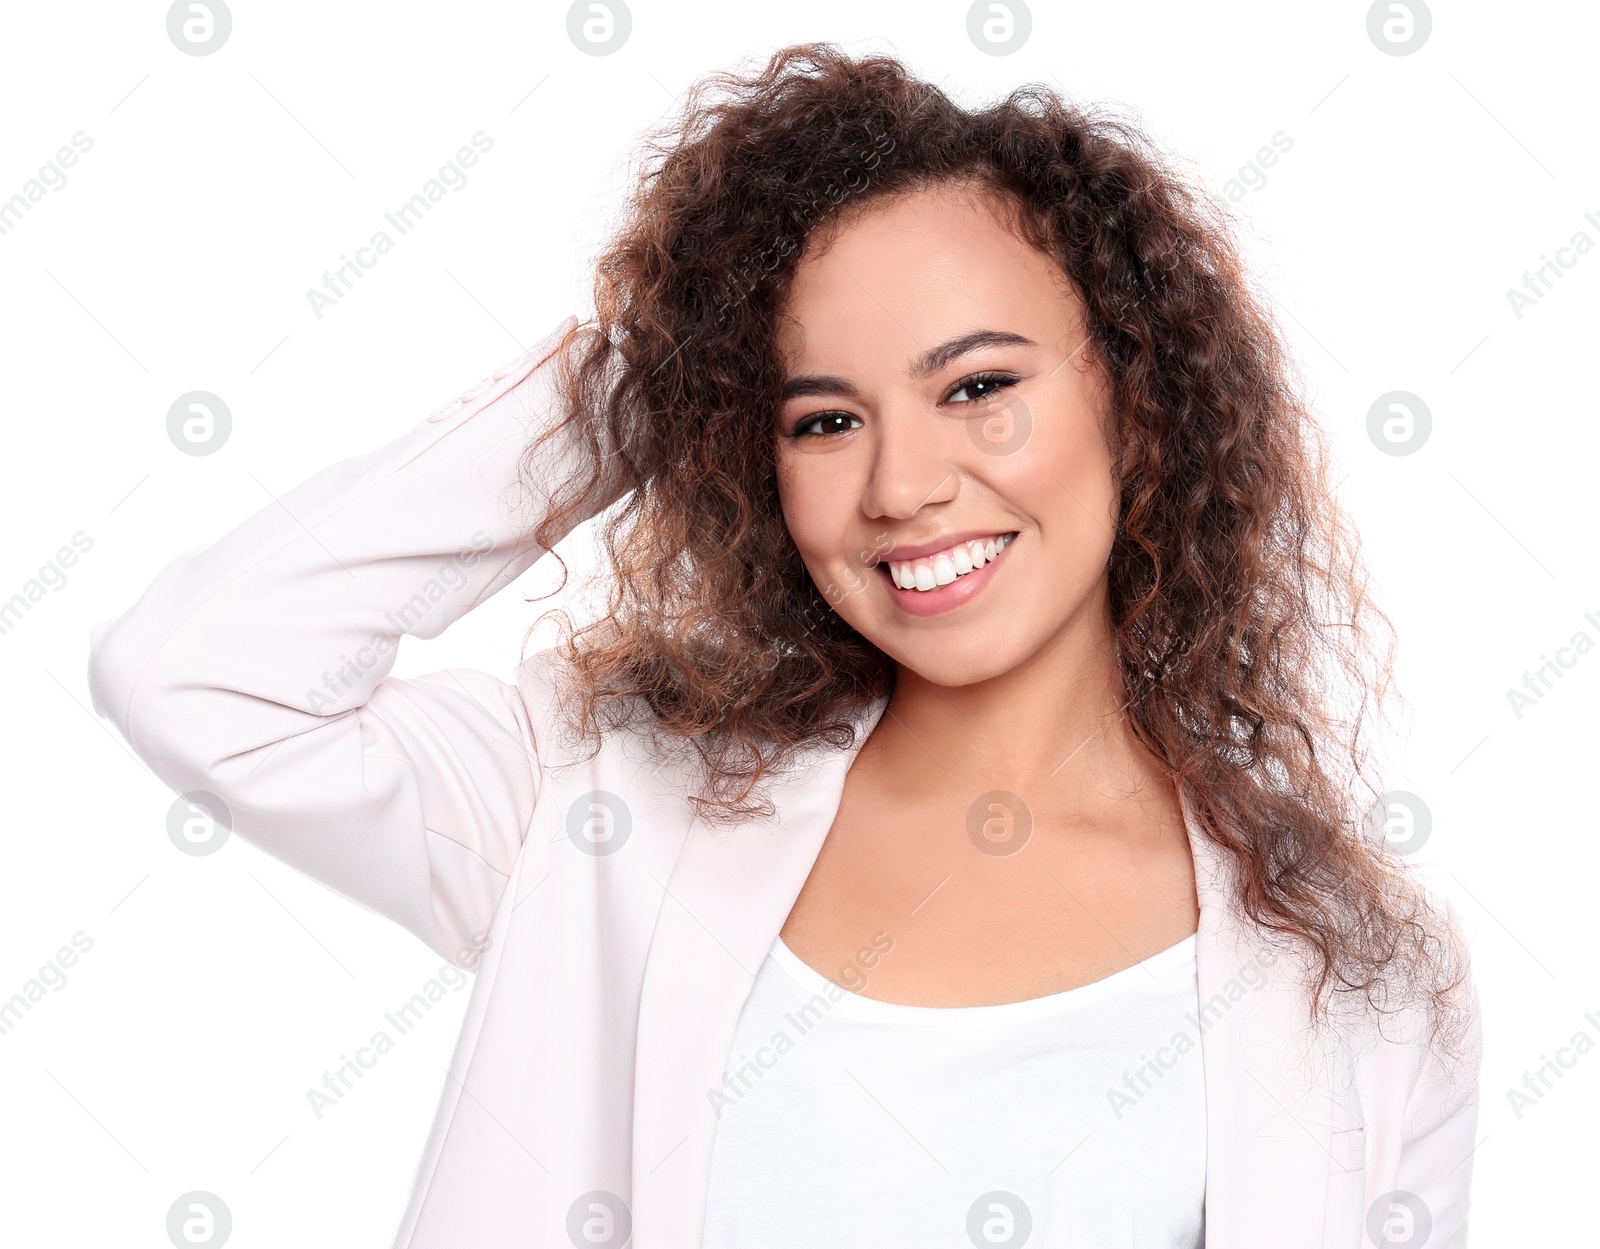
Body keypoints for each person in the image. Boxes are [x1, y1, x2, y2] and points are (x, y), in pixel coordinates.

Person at [87, 42, 1481, 1249]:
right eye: (823, 416)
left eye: (979, 386)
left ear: (1138, 391)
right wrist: (651, 377)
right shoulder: (593, 800)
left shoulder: (1357, 971)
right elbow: (197, 676)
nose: (902, 484)